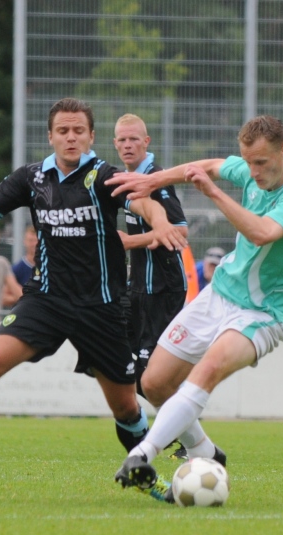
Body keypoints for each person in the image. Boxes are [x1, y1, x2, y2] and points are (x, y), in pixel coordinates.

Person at [0, 97, 186, 487]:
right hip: (44, 300)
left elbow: (143, 201)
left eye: (78, 131)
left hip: (101, 309)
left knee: (126, 406)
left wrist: (161, 222)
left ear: (91, 136)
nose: (71, 138)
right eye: (63, 131)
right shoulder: (31, 178)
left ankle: (149, 479)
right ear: (50, 136)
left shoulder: (104, 176)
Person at [106, 115, 283, 500]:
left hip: (261, 315)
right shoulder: (250, 170)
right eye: (248, 162)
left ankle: (142, 454)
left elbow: (259, 232)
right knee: (154, 383)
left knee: (203, 373)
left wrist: (213, 193)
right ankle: (205, 452)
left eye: (262, 163)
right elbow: (205, 166)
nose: (254, 172)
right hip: (218, 296)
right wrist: (152, 180)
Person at [113, 112, 189, 458]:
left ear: (147, 142)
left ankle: (185, 434)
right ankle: (178, 426)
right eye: (121, 140)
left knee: (146, 374)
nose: (127, 145)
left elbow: (180, 233)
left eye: (134, 139)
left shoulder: (156, 179)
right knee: (114, 361)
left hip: (163, 289)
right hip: (136, 289)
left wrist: (130, 243)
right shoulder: (123, 179)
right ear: (115, 144)